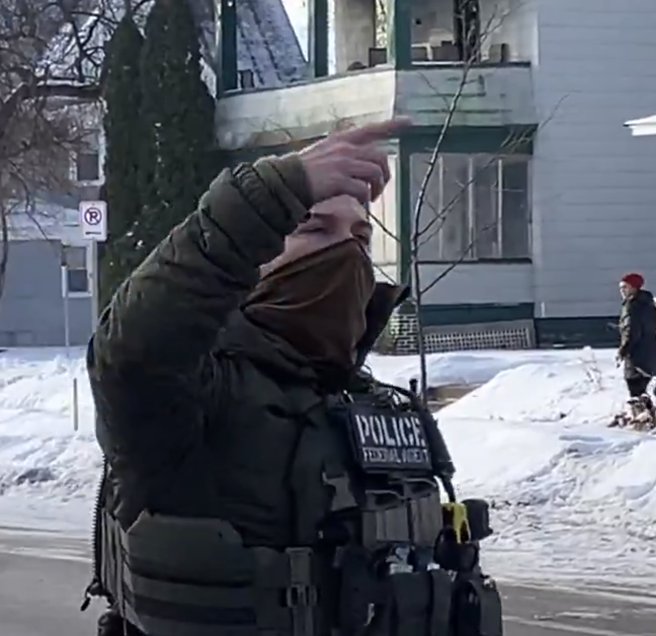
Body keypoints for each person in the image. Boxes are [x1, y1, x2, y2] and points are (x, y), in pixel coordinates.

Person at [83, 118, 502, 636]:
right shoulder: (194, 396)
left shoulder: (375, 410)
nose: (345, 253)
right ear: (251, 259)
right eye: (315, 229)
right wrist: (269, 195)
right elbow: (132, 353)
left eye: (361, 237)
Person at [617, 273, 656, 410]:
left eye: (625, 287)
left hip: (638, 355)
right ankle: (649, 416)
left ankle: (643, 418)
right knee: (642, 392)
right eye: (621, 287)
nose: (622, 290)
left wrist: (623, 351)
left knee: (636, 392)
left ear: (634, 288)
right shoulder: (648, 304)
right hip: (652, 353)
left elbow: (632, 332)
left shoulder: (632, 306)